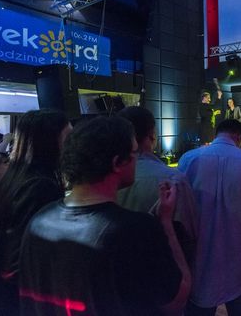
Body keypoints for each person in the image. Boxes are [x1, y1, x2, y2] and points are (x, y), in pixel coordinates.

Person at [18, 116, 191, 316]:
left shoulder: (39, 220)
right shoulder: (137, 230)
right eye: (134, 153)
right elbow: (177, 300)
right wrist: (166, 223)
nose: (137, 159)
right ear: (117, 162)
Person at [178, 119, 241, 316]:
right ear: (239, 138)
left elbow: (178, 214)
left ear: (216, 134)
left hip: (199, 262)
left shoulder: (188, 160)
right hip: (240, 262)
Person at [0, 109, 71, 309]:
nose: (73, 146)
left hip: (3, 283)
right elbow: (27, 249)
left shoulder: (14, 178)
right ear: (48, 142)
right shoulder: (41, 186)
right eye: (68, 138)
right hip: (25, 292)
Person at [116, 106, 198, 260]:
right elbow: (189, 236)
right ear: (152, 135)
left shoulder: (103, 179)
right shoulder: (173, 180)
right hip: (163, 267)